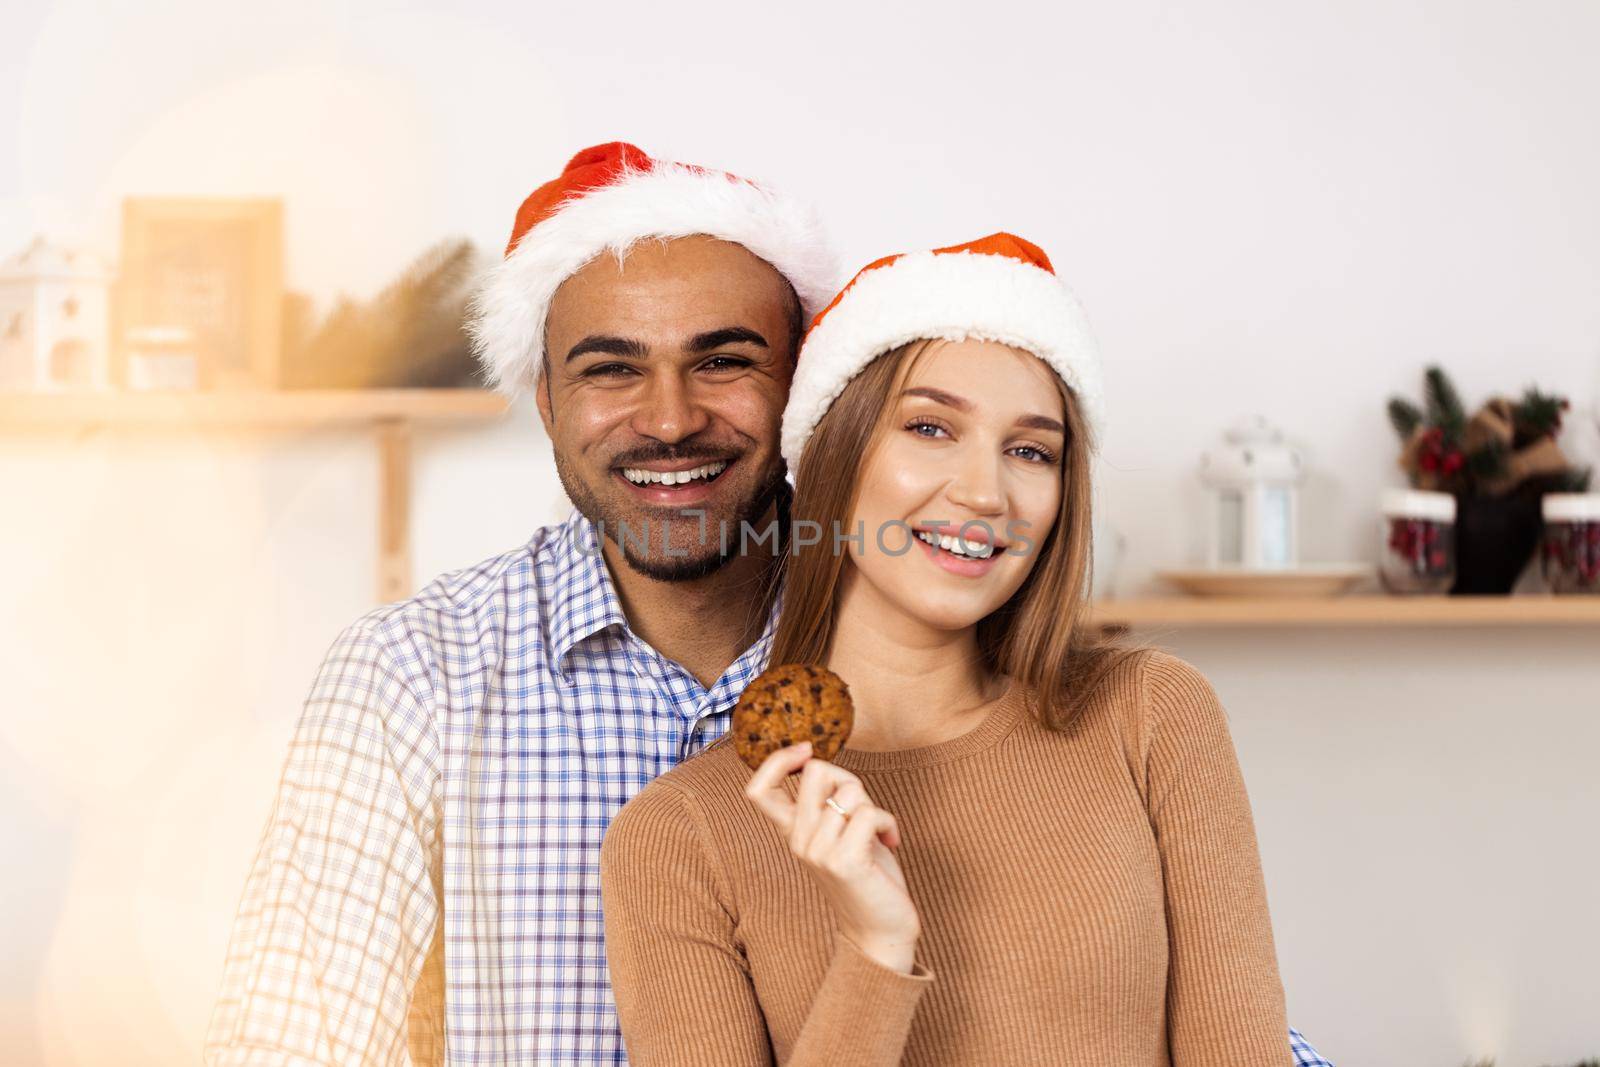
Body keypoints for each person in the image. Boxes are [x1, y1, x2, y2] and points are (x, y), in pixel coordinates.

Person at [600, 234, 1331, 1065]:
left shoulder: (1151, 714)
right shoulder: (678, 837)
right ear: (833, 455)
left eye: (1030, 450)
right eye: (930, 427)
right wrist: (875, 950)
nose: (986, 492)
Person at [205, 141, 836, 1065]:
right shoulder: (408, 675)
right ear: (546, 399)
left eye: (724, 361)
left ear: (803, 387)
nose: (669, 420)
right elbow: (288, 1040)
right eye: (611, 369)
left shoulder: (915, 653)